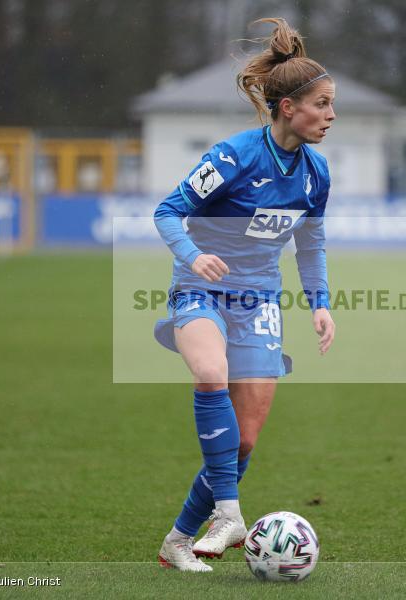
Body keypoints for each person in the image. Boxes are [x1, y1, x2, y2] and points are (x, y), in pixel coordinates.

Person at [151, 17, 336, 572]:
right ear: (288, 108)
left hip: (259, 304)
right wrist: (193, 256)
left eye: (331, 105)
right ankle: (230, 514)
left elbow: (311, 244)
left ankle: (179, 540)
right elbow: (167, 212)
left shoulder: (316, 174)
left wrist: (321, 303)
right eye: (322, 105)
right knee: (210, 374)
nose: (330, 116)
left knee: (245, 442)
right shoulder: (233, 157)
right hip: (201, 293)